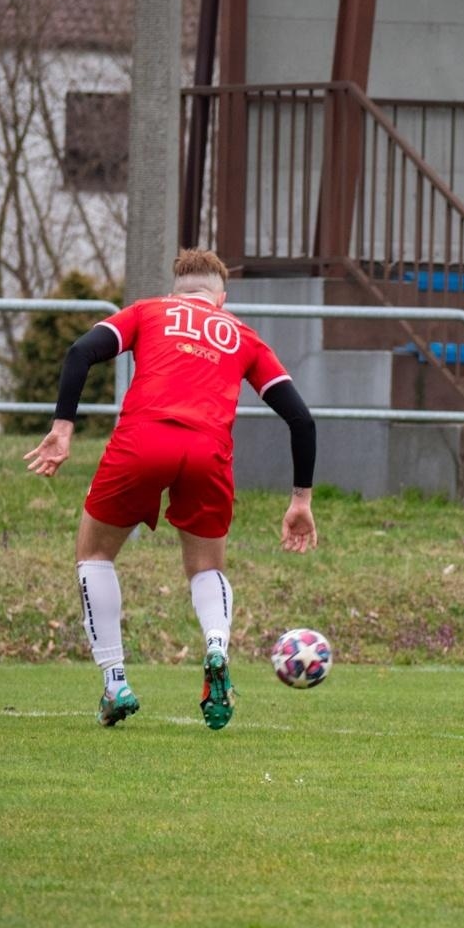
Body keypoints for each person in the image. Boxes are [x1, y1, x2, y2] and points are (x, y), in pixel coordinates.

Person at [23, 248, 318, 731]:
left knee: (94, 554)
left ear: (175, 290)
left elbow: (80, 352)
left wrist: (63, 427)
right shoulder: (241, 335)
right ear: (220, 299)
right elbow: (301, 418)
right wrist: (300, 500)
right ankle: (217, 648)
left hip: (142, 441)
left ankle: (115, 681)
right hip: (208, 452)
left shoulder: (148, 311)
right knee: (206, 567)